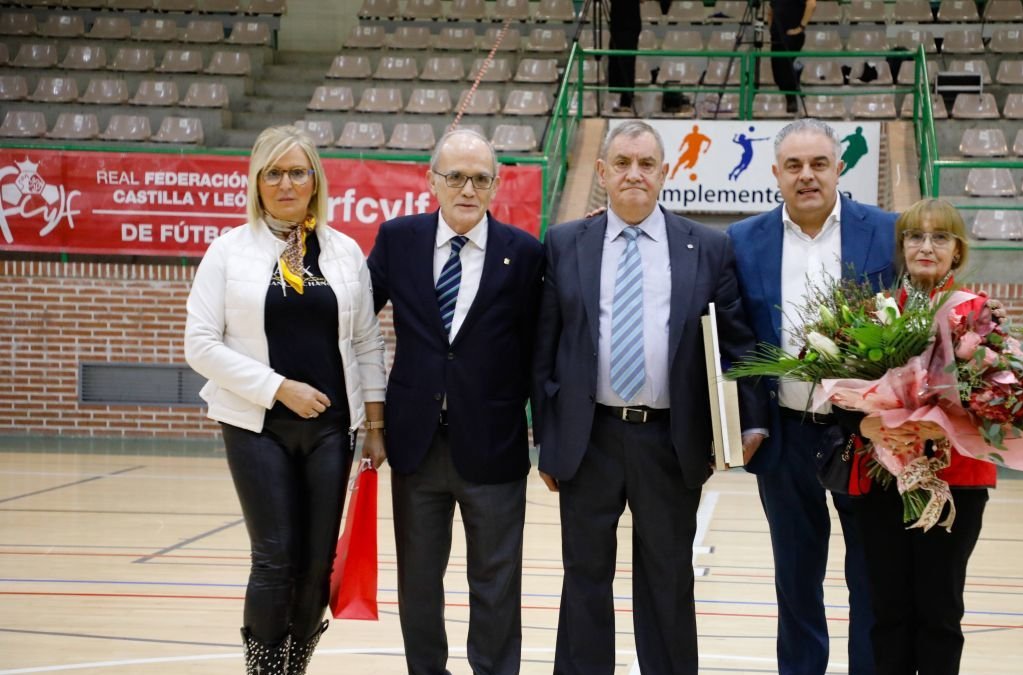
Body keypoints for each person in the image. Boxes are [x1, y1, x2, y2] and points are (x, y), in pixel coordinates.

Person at [532, 120, 767, 674]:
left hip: (670, 439)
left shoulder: (707, 247)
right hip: (588, 439)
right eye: (622, 163)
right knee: (584, 577)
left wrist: (748, 424)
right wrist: (548, 439)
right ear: (602, 172)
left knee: (667, 579)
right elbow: (545, 348)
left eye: (645, 164)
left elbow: (737, 343)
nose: (633, 174)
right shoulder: (565, 243)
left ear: (666, 172)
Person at [184, 125, 387, 674]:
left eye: (298, 172)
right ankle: (265, 671)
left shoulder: (344, 252)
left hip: (332, 431)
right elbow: (200, 344)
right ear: (256, 182)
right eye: (273, 173)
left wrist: (375, 425)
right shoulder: (227, 252)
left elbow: (367, 341)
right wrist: (277, 388)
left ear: (315, 180)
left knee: (316, 565)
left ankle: (293, 669)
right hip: (257, 427)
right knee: (275, 558)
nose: (286, 183)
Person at [366, 129, 544, 675]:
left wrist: (548, 440)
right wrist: (370, 422)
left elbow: (539, 352)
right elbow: (357, 323)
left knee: (496, 582)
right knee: (419, 581)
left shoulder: (525, 254)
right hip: (415, 444)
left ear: (496, 185)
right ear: (432, 181)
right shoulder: (397, 240)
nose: (468, 188)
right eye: (456, 177)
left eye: (480, 178)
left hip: (494, 447)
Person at [727, 118, 895, 675]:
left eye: (819, 164)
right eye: (794, 166)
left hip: (866, 436)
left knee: (871, 577)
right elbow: (733, 336)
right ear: (776, 173)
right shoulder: (741, 240)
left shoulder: (886, 232)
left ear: (839, 168)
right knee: (796, 580)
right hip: (785, 433)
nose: (807, 176)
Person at [853, 198, 997, 675]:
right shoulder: (877, 313)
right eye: (915, 236)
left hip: (955, 481)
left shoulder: (978, 314)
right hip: (885, 479)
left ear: (957, 250)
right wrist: (867, 420)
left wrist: (950, 416)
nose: (926, 247)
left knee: (939, 610)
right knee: (888, 610)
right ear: (902, 247)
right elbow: (850, 393)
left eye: (940, 237)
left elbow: (999, 402)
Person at [768, 0, 818, 115]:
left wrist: (801, 27)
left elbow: (812, 4)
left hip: (792, 35)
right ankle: (795, 78)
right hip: (777, 36)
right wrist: (771, 29)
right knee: (777, 71)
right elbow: (770, 11)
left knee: (785, 67)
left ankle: (791, 98)